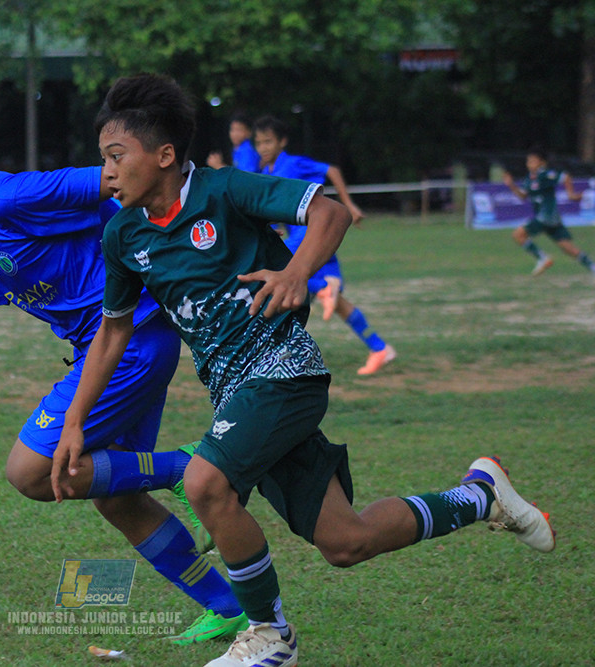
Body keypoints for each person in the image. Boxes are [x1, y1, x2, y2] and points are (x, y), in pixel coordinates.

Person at [54, 73, 555, 667]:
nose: (105, 172)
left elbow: (331, 214)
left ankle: (271, 634)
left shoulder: (224, 190)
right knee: (347, 540)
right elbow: (113, 331)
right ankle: (482, 494)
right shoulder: (122, 234)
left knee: (205, 484)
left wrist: (296, 274)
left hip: (284, 372)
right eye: (102, 159)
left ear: (164, 155)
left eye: (116, 157)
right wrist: (75, 421)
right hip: (237, 395)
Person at [0, 92, 248, 646]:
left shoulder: (11, 195)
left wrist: (162, 250)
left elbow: (116, 181)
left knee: (30, 471)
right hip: (112, 351)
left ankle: (186, 468)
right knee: (117, 498)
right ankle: (228, 606)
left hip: (128, 342)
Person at [253, 114, 396, 376]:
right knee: (336, 301)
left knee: (274, 274)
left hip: (311, 238)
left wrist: (349, 204)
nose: (263, 147)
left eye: (268, 141)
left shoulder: (294, 163)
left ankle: (321, 290)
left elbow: (333, 171)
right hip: (302, 239)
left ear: (282, 142)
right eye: (259, 142)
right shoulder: (266, 172)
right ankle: (379, 348)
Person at [502, 144, 595, 276]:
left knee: (518, 235)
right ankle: (592, 267)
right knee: (569, 249)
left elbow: (565, 176)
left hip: (546, 217)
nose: (529, 164)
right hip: (550, 220)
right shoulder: (530, 178)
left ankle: (543, 258)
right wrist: (511, 185)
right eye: (528, 161)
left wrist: (570, 194)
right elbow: (523, 196)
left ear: (542, 162)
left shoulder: (546, 174)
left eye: (533, 161)